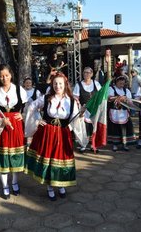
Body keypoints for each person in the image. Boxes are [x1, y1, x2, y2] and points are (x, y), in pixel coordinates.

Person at [24, 72, 82, 201]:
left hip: (63, 134)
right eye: (55, 83)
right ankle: (50, 187)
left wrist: (71, 127)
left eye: (60, 83)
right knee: (49, 160)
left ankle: (60, 185)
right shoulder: (46, 98)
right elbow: (32, 107)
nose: (58, 86)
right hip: (48, 133)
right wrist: (38, 119)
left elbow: (74, 118)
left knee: (61, 160)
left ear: (65, 84)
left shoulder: (72, 101)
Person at [0, 64, 28, 199]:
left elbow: (28, 108)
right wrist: (0, 121)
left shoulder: (20, 90)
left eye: (7, 75)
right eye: (1, 76)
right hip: (0, 127)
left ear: (11, 75)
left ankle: (14, 182)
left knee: (15, 157)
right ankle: (5, 186)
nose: (4, 78)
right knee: (3, 157)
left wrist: (23, 115)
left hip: (16, 126)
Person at [73, 67, 101, 153]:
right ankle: (83, 145)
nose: (87, 74)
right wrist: (79, 106)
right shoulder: (79, 84)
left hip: (94, 109)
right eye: (85, 72)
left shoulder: (96, 83)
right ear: (83, 74)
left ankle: (93, 145)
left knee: (94, 127)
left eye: (89, 73)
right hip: (84, 109)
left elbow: (101, 95)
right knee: (84, 127)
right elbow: (75, 97)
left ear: (92, 74)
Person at [107, 75, 136, 151]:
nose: (121, 85)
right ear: (116, 82)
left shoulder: (127, 91)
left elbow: (130, 101)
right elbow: (109, 98)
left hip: (124, 113)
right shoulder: (111, 89)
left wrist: (128, 100)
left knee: (125, 128)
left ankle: (125, 144)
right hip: (114, 112)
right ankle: (115, 145)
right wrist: (118, 97)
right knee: (114, 129)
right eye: (120, 83)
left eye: (123, 83)